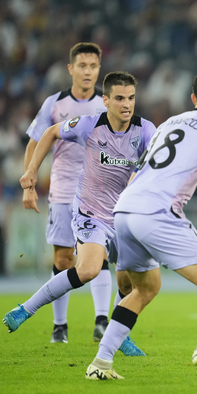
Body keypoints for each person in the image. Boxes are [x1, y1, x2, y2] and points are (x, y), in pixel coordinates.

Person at [85, 70, 197, 380]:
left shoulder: (169, 123)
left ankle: (101, 364)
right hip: (157, 211)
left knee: (145, 289)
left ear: (192, 99)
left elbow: (139, 170)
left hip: (125, 209)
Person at [4, 72, 155, 357]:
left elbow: (157, 163)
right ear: (106, 100)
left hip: (124, 217)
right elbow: (49, 133)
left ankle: (118, 334)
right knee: (87, 269)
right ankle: (25, 309)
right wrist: (31, 171)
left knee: (128, 282)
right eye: (120, 98)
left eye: (131, 98)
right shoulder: (89, 124)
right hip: (91, 212)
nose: (127, 104)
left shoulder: (145, 129)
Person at [23, 42, 111, 343]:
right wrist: (30, 181)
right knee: (63, 258)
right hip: (62, 188)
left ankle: (102, 321)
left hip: (98, 191)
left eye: (94, 66)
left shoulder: (107, 103)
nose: (88, 71)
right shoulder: (55, 103)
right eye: (83, 66)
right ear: (71, 68)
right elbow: (35, 142)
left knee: (98, 255)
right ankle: (60, 326)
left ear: (99, 69)